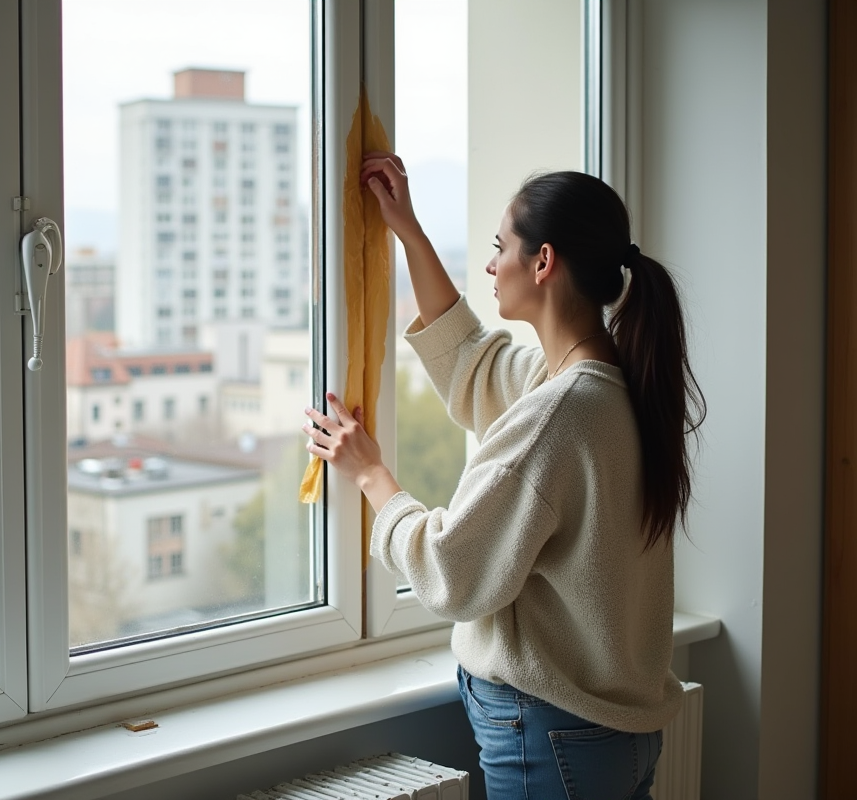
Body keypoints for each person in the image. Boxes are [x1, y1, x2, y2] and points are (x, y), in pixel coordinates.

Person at [302, 152, 705, 800]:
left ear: (543, 262)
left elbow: (452, 573)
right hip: (611, 736)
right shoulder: (614, 389)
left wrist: (372, 474)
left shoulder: (559, 415)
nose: (491, 266)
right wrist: (407, 231)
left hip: (556, 739)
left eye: (500, 248)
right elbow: (470, 361)